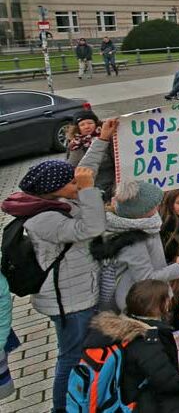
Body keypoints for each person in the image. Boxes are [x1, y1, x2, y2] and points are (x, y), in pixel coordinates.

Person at [0, 157, 104, 412]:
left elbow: (82, 170)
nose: (77, 184)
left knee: (77, 353)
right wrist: (89, 189)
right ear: (55, 187)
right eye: (72, 183)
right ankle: (61, 407)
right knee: (70, 357)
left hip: (75, 292)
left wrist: (101, 140)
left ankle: (82, 400)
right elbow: (93, 227)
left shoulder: (51, 202)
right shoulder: (45, 218)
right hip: (69, 302)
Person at [85, 280, 179, 412]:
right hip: (145, 402)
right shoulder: (146, 340)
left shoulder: (127, 325)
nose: (170, 301)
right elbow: (167, 381)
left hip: (134, 394)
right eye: (167, 299)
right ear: (159, 305)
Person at [96, 180, 179, 313]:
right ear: (140, 211)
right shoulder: (133, 241)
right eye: (154, 205)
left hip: (149, 297)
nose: (158, 206)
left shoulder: (144, 223)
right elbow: (145, 278)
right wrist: (178, 267)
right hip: (142, 303)